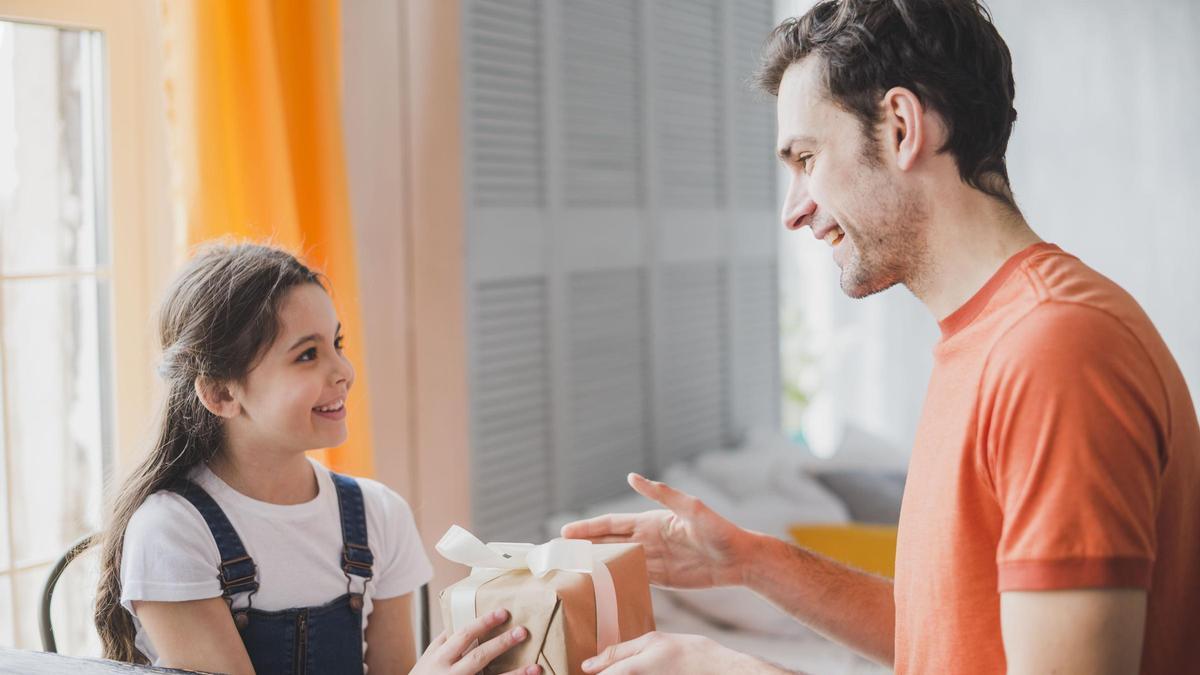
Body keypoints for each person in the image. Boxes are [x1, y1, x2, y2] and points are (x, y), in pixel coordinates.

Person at [563, 1, 1200, 673]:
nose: (793, 208)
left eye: (806, 158)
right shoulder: (994, 336)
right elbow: (953, 634)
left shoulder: (1055, 352)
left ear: (900, 127)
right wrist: (754, 561)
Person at [92, 243, 541, 675]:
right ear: (221, 393)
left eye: (337, 343)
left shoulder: (378, 514)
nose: (343, 370)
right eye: (307, 354)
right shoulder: (171, 531)